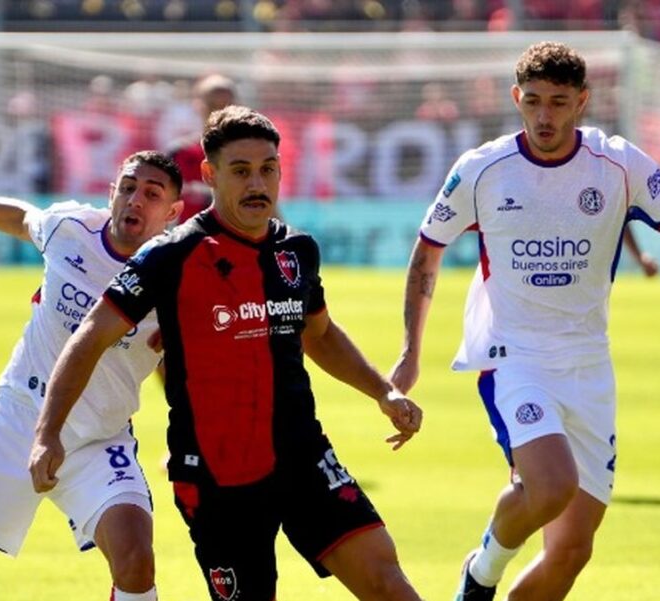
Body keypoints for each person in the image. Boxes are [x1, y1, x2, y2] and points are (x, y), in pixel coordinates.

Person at [389, 42, 660, 601]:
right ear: (516, 98)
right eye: (532, 101)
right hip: (515, 359)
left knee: (571, 551)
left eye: (558, 102)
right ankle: (478, 577)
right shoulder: (482, 169)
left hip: (589, 366)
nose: (543, 116)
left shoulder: (619, 162)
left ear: (582, 101)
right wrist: (413, 351)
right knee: (551, 485)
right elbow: (427, 250)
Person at [29, 105, 425, 601]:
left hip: (302, 456)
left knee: (388, 582)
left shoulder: (296, 251)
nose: (257, 183)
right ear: (210, 175)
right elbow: (90, 336)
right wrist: (48, 434)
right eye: (241, 171)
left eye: (268, 169)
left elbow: (320, 335)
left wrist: (383, 392)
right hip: (218, 478)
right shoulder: (169, 257)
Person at [0, 151, 184, 601]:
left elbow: (177, 364)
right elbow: (21, 217)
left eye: (151, 195)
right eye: (127, 188)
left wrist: (185, 431)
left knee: (136, 561)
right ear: (112, 193)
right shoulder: (70, 230)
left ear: (172, 213)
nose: (135, 201)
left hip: (97, 440)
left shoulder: (174, 276)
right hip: (15, 424)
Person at [165, 73, 237, 223]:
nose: (219, 112)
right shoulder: (179, 152)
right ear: (198, 105)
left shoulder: (250, 153)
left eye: (225, 105)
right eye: (212, 105)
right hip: (187, 243)